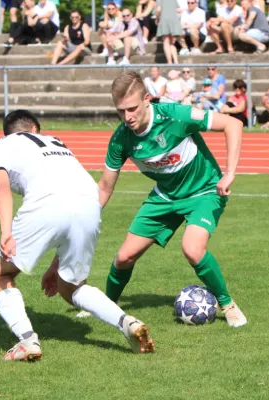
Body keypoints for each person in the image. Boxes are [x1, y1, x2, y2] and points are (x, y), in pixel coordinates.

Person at [0, 110, 155, 361]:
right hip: (90, 202)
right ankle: (127, 322)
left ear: (8, 133)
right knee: (71, 286)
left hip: (47, 202)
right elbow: (68, 208)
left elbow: (1, 187)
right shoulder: (56, 142)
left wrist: (6, 232)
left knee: (0, 273)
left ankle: (27, 340)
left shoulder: (0, 146)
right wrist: (57, 263)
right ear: (36, 129)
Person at [98, 71, 247, 328]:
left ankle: (228, 304)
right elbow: (104, 187)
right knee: (123, 258)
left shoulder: (175, 115)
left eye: (132, 108)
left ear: (147, 99)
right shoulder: (121, 138)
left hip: (205, 191)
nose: (127, 117)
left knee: (192, 249)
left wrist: (229, 173)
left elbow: (234, 124)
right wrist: (86, 219)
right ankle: (104, 307)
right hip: (165, 196)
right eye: (120, 111)